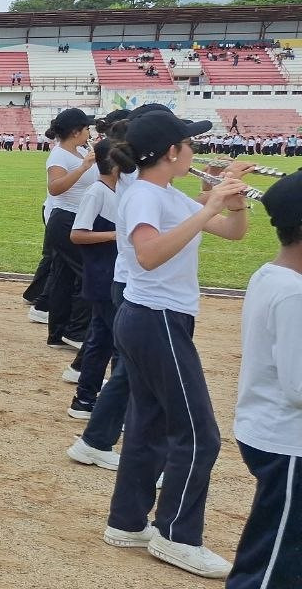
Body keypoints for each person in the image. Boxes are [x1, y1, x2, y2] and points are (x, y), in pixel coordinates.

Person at [102, 111, 247, 579]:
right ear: (171, 151)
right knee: (199, 433)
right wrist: (208, 207)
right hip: (154, 317)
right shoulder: (145, 195)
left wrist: (233, 199)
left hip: (158, 319)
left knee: (148, 424)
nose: (193, 150)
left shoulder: (165, 194)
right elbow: (147, 256)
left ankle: (127, 523)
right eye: (189, 143)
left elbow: (232, 232)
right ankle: (177, 536)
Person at [226, 172, 302, 588]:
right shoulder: (293, 294)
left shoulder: (273, 275)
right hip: (288, 441)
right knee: (275, 563)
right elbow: (298, 387)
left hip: (272, 431)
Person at [65, 139, 118, 417]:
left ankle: (86, 397)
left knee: (102, 339)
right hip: (103, 275)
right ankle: (89, 398)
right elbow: (77, 234)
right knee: (107, 342)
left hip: (112, 274)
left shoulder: (118, 189)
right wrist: (115, 235)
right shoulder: (97, 192)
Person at [41, 108, 97, 352]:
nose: (89, 132)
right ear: (76, 131)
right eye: (86, 128)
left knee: (63, 277)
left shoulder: (82, 151)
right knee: (88, 274)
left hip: (78, 217)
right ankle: (76, 331)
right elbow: (55, 188)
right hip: (66, 219)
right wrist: (83, 168)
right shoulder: (59, 155)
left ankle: (58, 333)